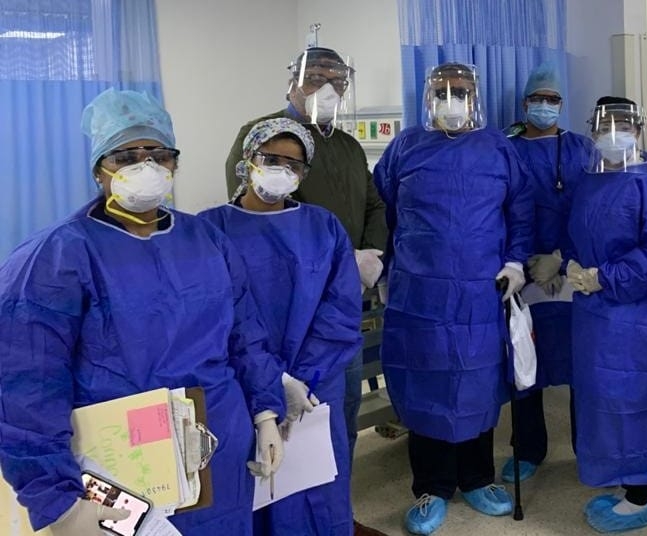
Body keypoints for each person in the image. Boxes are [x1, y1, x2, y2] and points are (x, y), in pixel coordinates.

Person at [0, 88, 286, 535]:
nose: (145, 166)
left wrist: (265, 411)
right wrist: (58, 502)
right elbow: (28, 384)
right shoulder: (57, 256)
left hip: (220, 449)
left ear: (174, 163)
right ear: (99, 170)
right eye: (126, 156)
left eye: (158, 154)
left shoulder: (207, 240)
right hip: (121, 462)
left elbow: (245, 336)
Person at [225, 47, 387, 536]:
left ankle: (333, 510)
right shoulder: (259, 134)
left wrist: (368, 254)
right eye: (315, 77)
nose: (327, 87)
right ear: (293, 82)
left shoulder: (349, 147)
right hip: (263, 332)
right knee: (258, 442)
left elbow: (375, 205)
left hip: (332, 321)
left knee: (333, 430)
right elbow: (252, 215)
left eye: (337, 79)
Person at [372, 62, 533, 535]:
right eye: (442, 91)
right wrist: (386, 265)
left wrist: (516, 262)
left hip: (480, 291)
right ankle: (431, 486)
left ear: (474, 97)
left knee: (477, 383)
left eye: (460, 91)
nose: (452, 99)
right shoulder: (406, 147)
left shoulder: (498, 149)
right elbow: (385, 209)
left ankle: (478, 477)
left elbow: (521, 210)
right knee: (426, 384)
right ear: (428, 97)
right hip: (420, 294)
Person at [201, 117, 364, 535]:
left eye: (293, 165)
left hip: (314, 384)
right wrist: (270, 383)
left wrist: (301, 380)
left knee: (314, 492)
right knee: (248, 487)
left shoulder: (324, 227)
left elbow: (340, 311)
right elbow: (214, 315)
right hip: (240, 384)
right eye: (271, 159)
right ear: (248, 160)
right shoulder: (209, 229)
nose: (281, 171)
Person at [565, 96, 647, 533]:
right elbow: (577, 234)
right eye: (605, 125)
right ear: (593, 132)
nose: (614, 133)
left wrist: (606, 277)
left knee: (634, 397)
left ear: (638, 130)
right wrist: (571, 264)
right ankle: (618, 476)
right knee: (599, 398)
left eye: (623, 124)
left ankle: (639, 494)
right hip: (590, 316)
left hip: (633, 313)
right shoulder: (587, 181)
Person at [500, 62, 593, 483]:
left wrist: (562, 257)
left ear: (562, 104)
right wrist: (523, 263)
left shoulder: (582, 148)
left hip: (572, 270)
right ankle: (528, 449)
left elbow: (592, 210)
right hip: (524, 273)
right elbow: (501, 212)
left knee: (580, 366)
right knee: (526, 362)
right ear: (525, 104)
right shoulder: (506, 149)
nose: (544, 105)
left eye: (552, 99)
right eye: (537, 99)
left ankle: (587, 448)